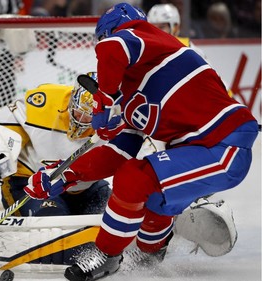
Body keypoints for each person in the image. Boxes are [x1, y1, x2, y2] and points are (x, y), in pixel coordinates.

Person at [23, 3, 259, 281]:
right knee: (156, 199)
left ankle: (106, 255)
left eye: (102, 38)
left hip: (224, 146)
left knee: (135, 178)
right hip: (194, 149)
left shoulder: (153, 42)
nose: (101, 46)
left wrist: (104, 102)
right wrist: (64, 174)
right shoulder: (132, 93)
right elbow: (116, 153)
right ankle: (149, 256)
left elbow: (112, 49)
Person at [0, 72, 111, 217]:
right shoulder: (47, 101)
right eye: (79, 111)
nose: (81, 119)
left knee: (111, 215)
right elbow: (8, 118)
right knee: (54, 221)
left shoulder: (117, 120)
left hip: (83, 189)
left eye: (89, 116)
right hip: (30, 184)